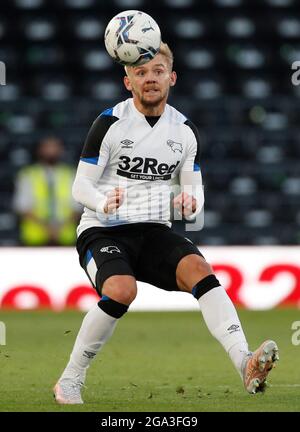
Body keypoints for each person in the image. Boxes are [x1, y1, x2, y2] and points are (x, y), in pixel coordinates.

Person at [53, 43, 279, 404]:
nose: (150, 79)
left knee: (200, 269)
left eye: (157, 71)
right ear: (128, 81)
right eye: (140, 73)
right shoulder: (109, 123)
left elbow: (195, 197)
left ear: (171, 77)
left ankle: (244, 361)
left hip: (153, 230)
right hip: (103, 228)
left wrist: (191, 205)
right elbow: (80, 186)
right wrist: (101, 201)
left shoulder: (185, 132)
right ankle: (70, 378)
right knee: (122, 290)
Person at [13, 136, 80, 246]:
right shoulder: (27, 175)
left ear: (61, 150)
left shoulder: (71, 174)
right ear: (39, 149)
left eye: (54, 146)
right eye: (47, 147)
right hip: (34, 239)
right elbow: (22, 207)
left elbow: (77, 207)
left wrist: (59, 229)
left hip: (65, 238)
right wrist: (47, 229)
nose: (51, 150)